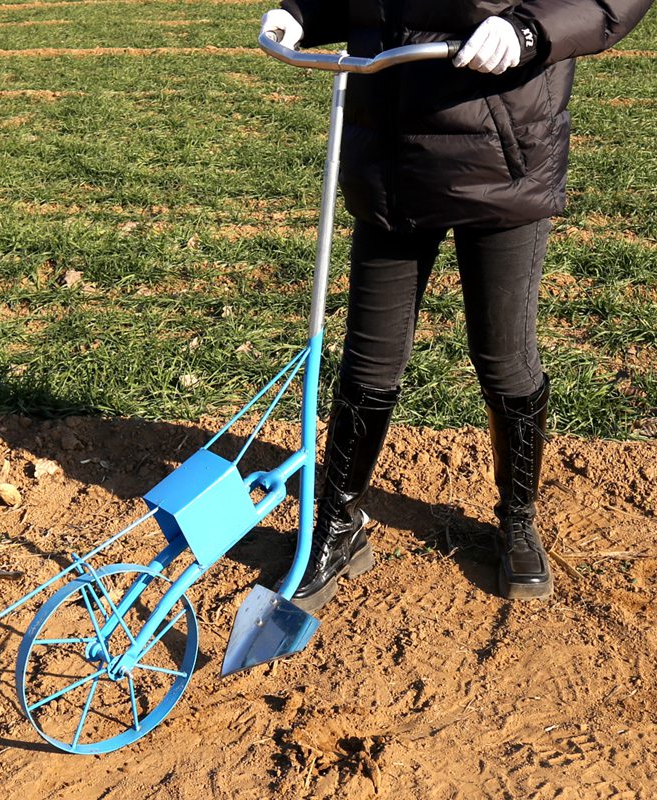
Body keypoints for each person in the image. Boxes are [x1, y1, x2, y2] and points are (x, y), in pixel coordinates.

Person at [259, 0, 653, 610]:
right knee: (369, 360)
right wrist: (304, 10)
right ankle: (337, 526)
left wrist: (530, 29)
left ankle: (517, 517)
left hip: (504, 157)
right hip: (387, 156)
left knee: (505, 357)